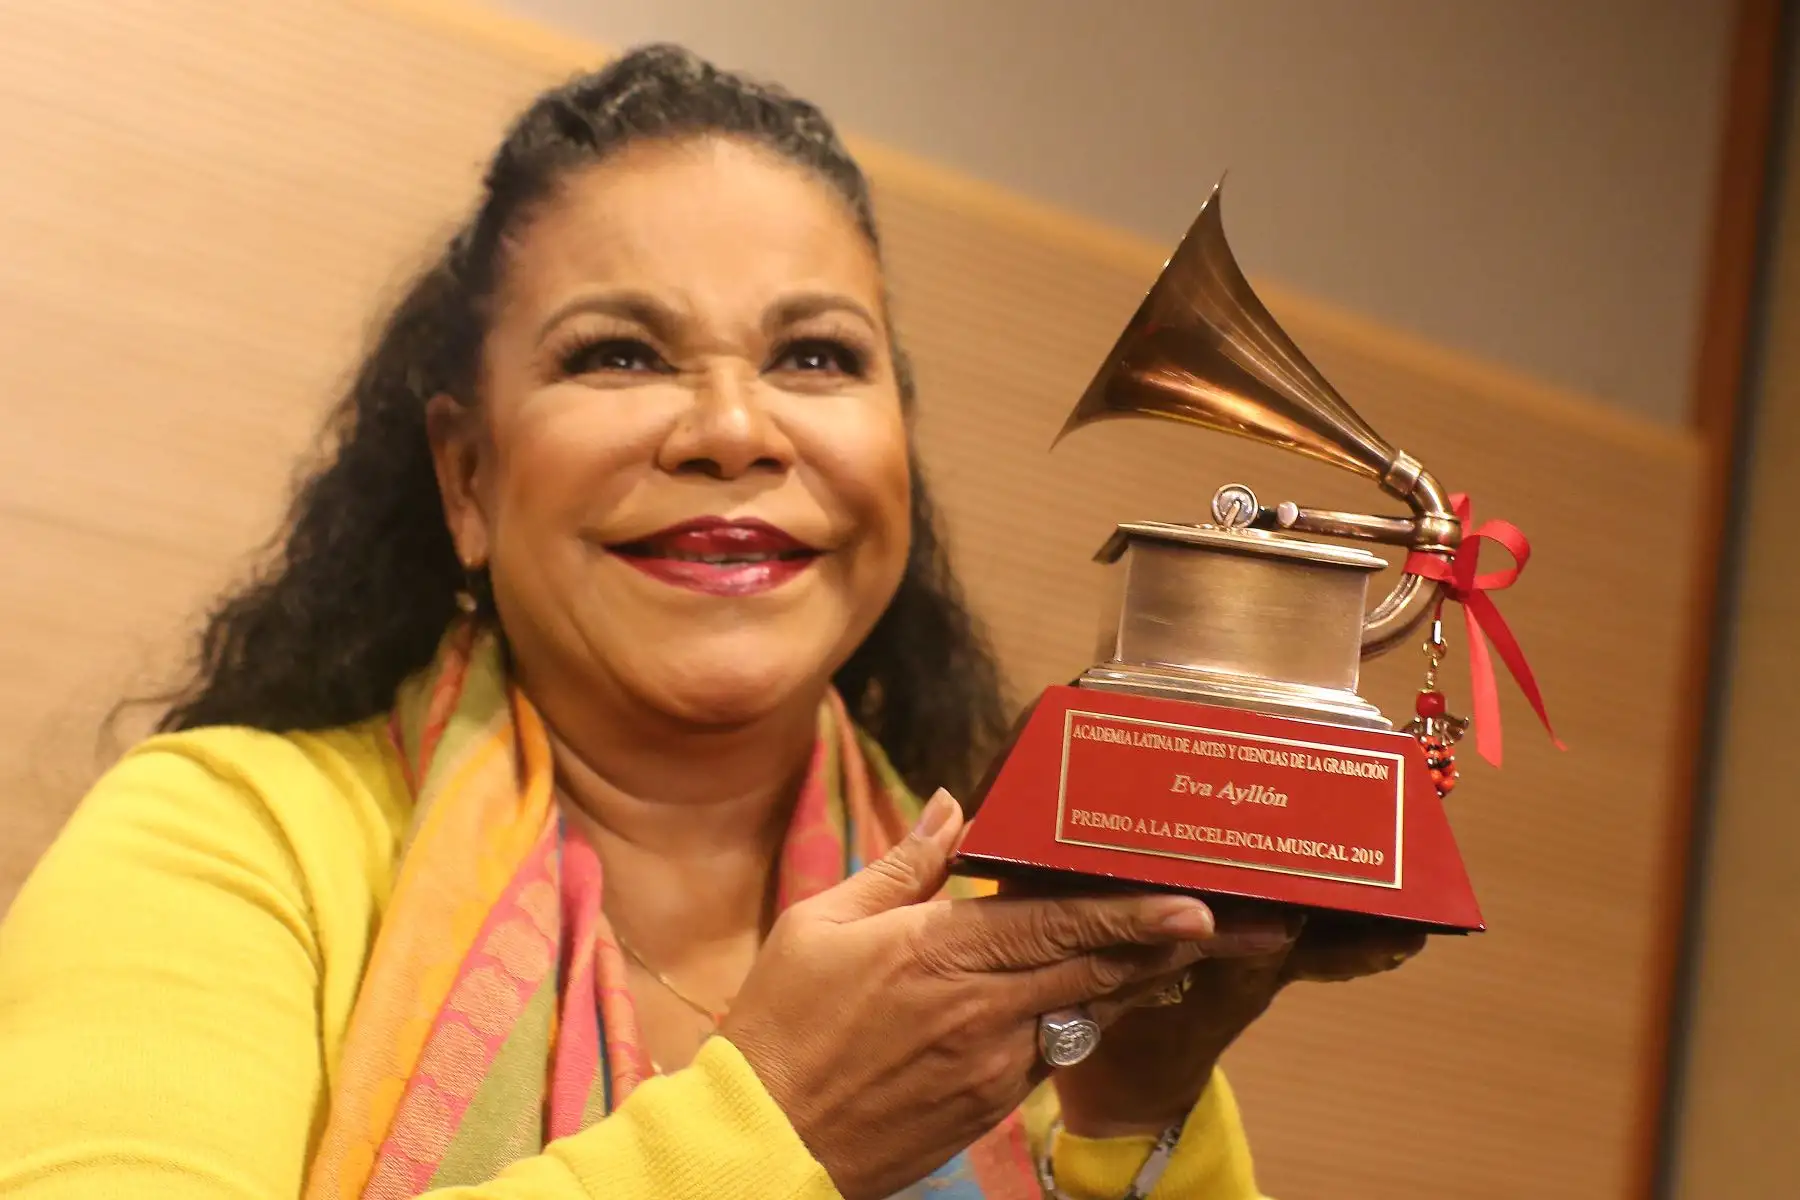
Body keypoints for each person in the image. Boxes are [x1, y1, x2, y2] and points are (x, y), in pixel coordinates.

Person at [0, 45, 1423, 1200]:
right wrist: (775, 1134)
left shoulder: (1007, 936)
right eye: (618, 353)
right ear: (469, 477)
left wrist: (1132, 1109)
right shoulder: (221, 839)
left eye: (815, 356)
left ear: (897, 459)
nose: (736, 428)